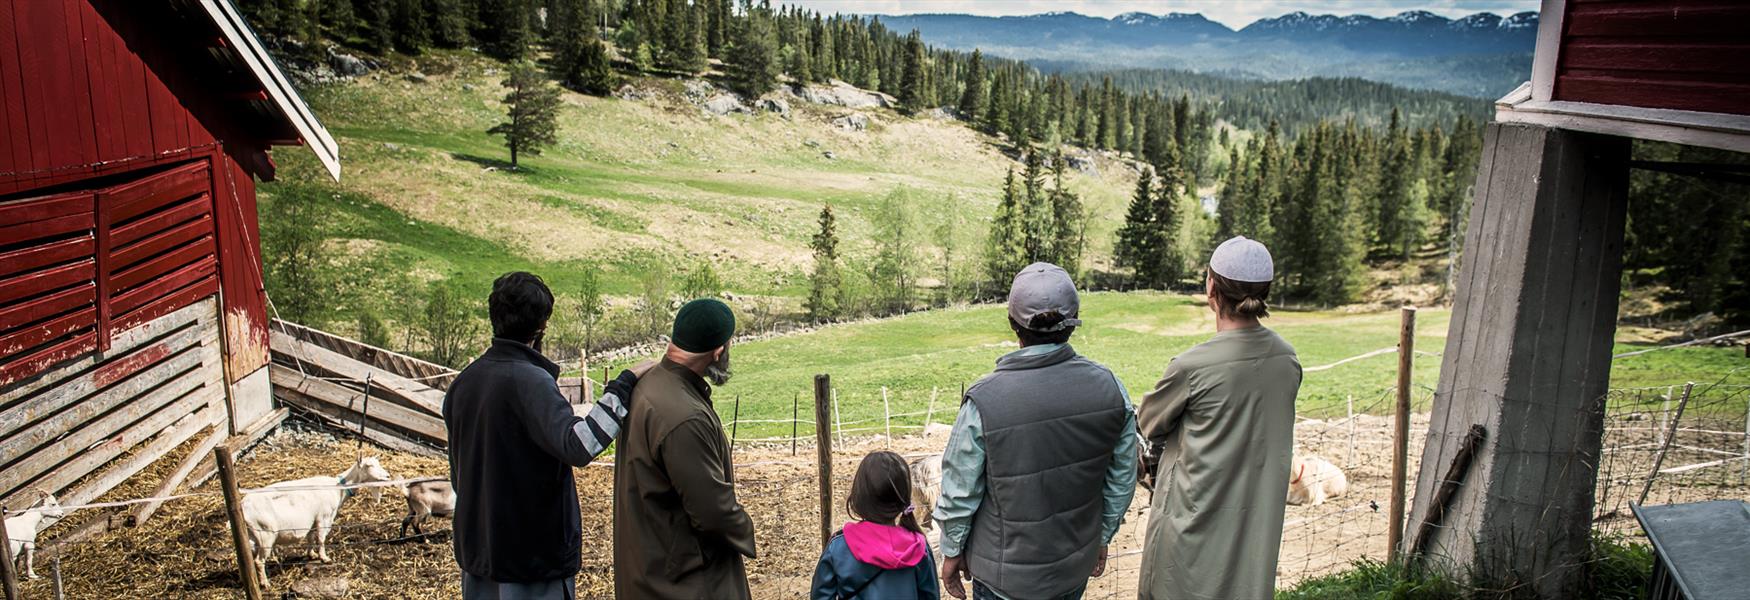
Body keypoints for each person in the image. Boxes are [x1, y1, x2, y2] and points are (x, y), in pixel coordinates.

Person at [936, 262, 1138, 600]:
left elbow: (960, 492)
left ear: (1014, 324)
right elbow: (1122, 480)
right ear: (1072, 323)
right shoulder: (1111, 388)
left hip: (1002, 579)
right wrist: (1101, 536)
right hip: (1072, 570)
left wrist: (952, 550)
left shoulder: (983, 401)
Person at [443, 272, 643, 600]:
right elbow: (580, 446)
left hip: (479, 554)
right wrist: (623, 386)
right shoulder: (530, 381)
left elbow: (457, 475)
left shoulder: (464, 383)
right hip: (530, 561)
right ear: (542, 327)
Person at [1136, 236, 1302, 600]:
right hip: (1253, 532)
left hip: (1191, 531)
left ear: (1211, 287)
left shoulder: (1191, 367)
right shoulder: (1287, 361)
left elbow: (1148, 422)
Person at [613, 298, 756, 599]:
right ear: (719, 350)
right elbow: (712, 513)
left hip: (650, 567)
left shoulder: (647, 384)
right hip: (686, 583)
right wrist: (745, 529)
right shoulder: (685, 418)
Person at [812, 451, 941, 600]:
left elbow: (821, 596)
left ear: (859, 496)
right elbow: (931, 596)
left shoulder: (839, 546)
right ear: (904, 496)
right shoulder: (918, 547)